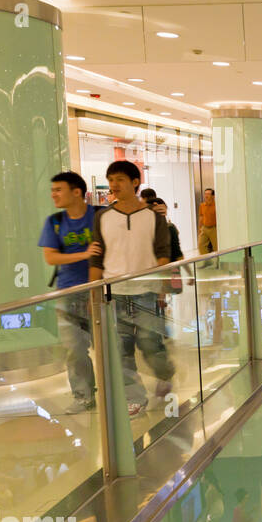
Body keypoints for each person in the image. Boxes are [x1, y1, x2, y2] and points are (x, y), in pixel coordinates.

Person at [89, 160, 175, 418]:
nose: (114, 185)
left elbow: (163, 254)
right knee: (120, 348)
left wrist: (162, 288)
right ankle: (135, 398)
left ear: (135, 182)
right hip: (113, 293)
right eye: (111, 179)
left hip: (146, 291)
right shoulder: (102, 216)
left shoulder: (152, 218)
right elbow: (96, 255)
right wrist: (94, 292)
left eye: (119, 180)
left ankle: (164, 374)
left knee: (150, 343)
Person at [39, 171, 100, 413]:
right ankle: (83, 396)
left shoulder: (100, 216)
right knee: (74, 349)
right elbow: (51, 257)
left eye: (58, 189)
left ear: (77, 192)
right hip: (67, 292)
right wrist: (85, 254)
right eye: (52, 190)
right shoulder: (54, 221)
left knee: (110, 346)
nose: (53, 194)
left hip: (99, 291)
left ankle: (117, 393)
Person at [198, 187, 217, 253]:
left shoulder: (216, 205)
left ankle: (217, 261)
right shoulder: (202, 205)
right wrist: (200, 229)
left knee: (216, 247)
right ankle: (206, 261)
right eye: (205, 194)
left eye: (208, 194)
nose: (206, 196)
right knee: (201, 245)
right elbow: (201, 217)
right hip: (204, 228)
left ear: (213, 196)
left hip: (214, 228)